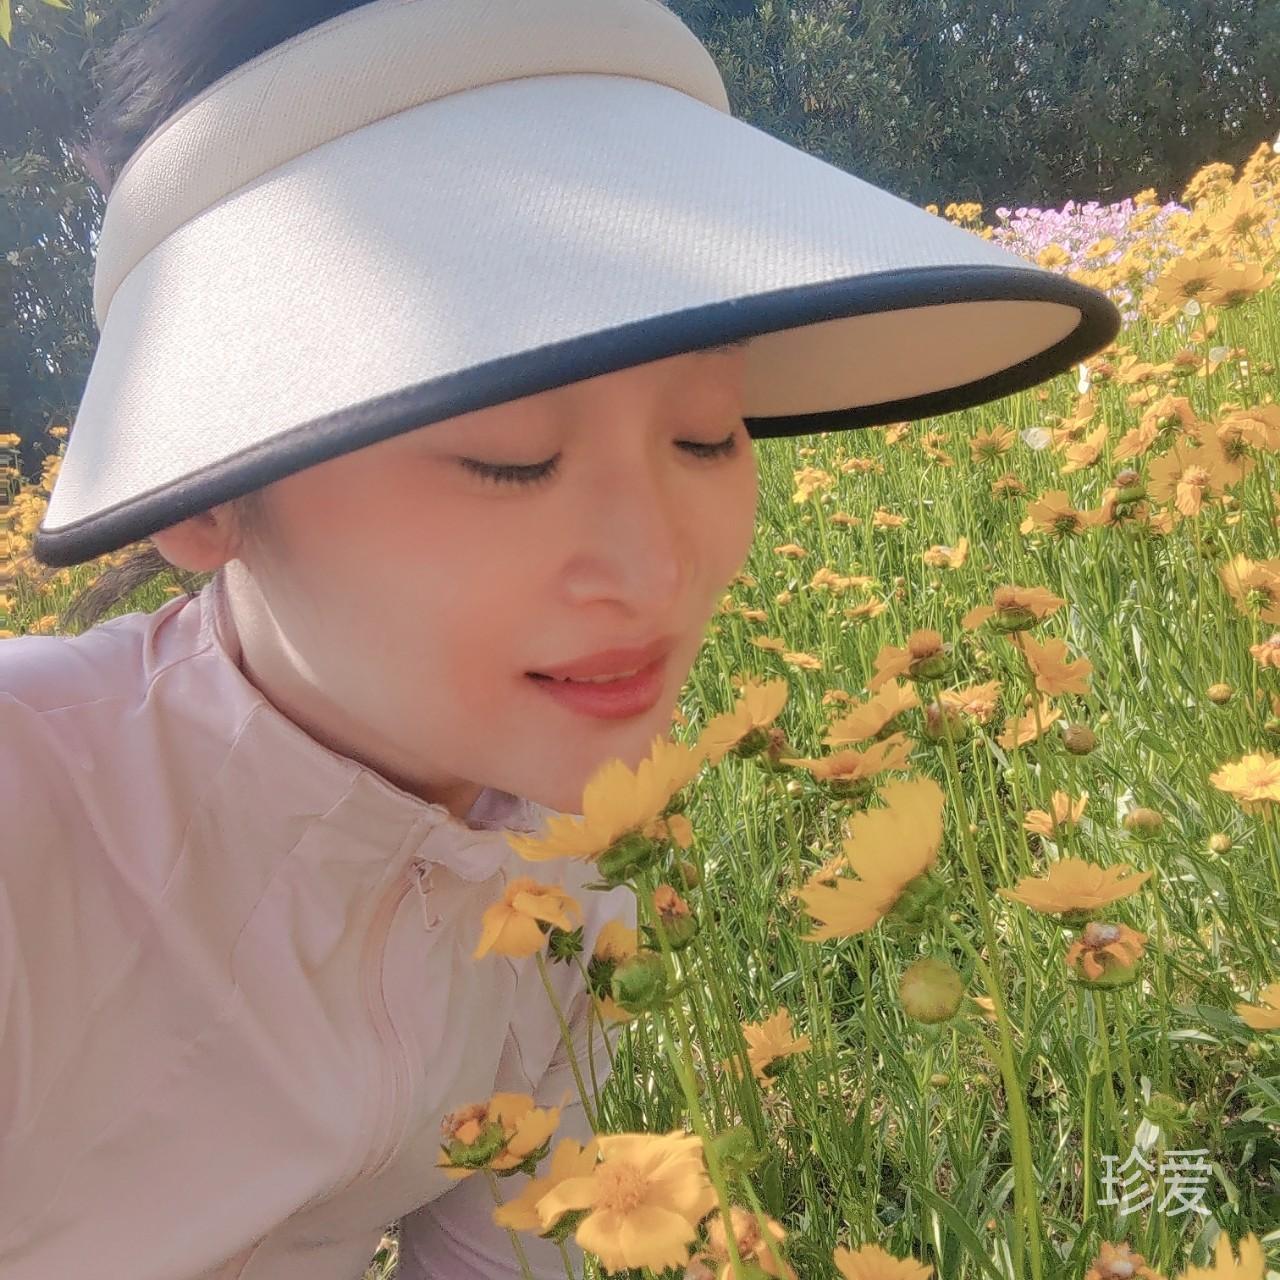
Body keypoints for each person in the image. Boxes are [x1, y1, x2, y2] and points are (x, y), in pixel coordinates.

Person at [1, 0, 1120, 1276]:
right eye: (510, 457)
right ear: (204, 489)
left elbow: (505, 1251)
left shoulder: (567, 868)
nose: (657, 572)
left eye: (706, 430)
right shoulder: (26, 811)